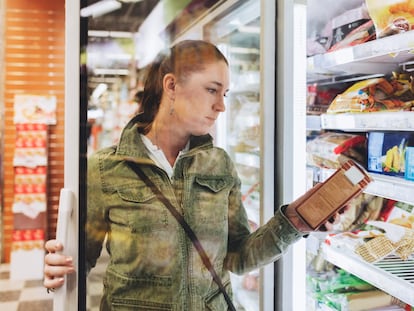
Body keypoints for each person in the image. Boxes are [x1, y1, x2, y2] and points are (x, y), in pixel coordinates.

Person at [44, 39, 339, 310]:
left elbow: (237, 257)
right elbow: (77, 259)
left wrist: (293, 222)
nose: (221, 106)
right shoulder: (106, 168)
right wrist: (55, 266)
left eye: (224, 94)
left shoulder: (219, 164)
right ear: (171, 86)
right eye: (212, 89)